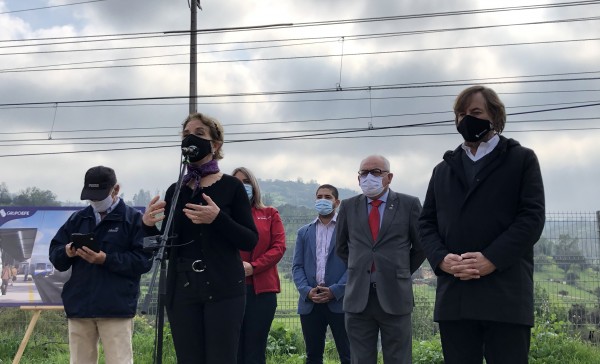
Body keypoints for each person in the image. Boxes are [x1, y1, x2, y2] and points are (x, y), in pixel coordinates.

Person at [418, 85, 545, 364]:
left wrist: (491, 259)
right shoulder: (443, 170)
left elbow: (531, 217)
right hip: (456, 297)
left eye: (475, 112)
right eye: (461, 114)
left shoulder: (521, 159)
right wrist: (441, 259)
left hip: (506, 295)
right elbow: (426, 223)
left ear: (495, 116)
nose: (467, 120)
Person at [142, 113, 259, 364]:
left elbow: (249, 240)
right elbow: (167, 246)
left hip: (224, 289)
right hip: (182, 290)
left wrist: (217, 218)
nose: (190, 138)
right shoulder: (176, 190)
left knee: (221, 358)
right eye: (186, 134)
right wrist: (149, 227)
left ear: (215, 145)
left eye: (199, 133)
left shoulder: (232, 187)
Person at [48, 165, 153, 364]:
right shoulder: (78, 219)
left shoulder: (133, 220)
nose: (95, 201)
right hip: (79, 307)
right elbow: (55, 256)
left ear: (116, 189)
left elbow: (143, 261)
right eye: (91, 196)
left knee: (119, 361)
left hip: (116, 308)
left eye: (99, 195)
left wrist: (106, 259)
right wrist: (67, 251)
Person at [336, 155, 425, 364]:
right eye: (363, 173)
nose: (369, 177)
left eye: (375, 172)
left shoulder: (409, 204)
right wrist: (360, 268)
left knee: (399, 358)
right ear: (358, 178)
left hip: (395, 295)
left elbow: (421, 248)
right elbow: (340, 248)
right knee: (360, 358)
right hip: (358, 297)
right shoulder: (348, 206)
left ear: (389, 177)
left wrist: (400, 271)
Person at [232, 166, 286, 364]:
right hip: (230, 289)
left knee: (255, 348)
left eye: (246, 182)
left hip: (262, 291)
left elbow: (279, 247)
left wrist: (253, 267)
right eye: (237, 182)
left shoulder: (270, 213)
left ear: (253, 186)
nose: (242, 186)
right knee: (233, 348)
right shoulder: (224, 216)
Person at [292, 184, 351, 364]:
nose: (322, 200)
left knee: (348, 355)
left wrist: (335, 290)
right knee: (313, 356)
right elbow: (297, 266)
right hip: (311, 302)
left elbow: (354, 265)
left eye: (327, 197)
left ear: (337, 202)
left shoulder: (348, 230)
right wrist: (306, 291)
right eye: (319, 197)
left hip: (340, 301)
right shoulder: (304, 232)